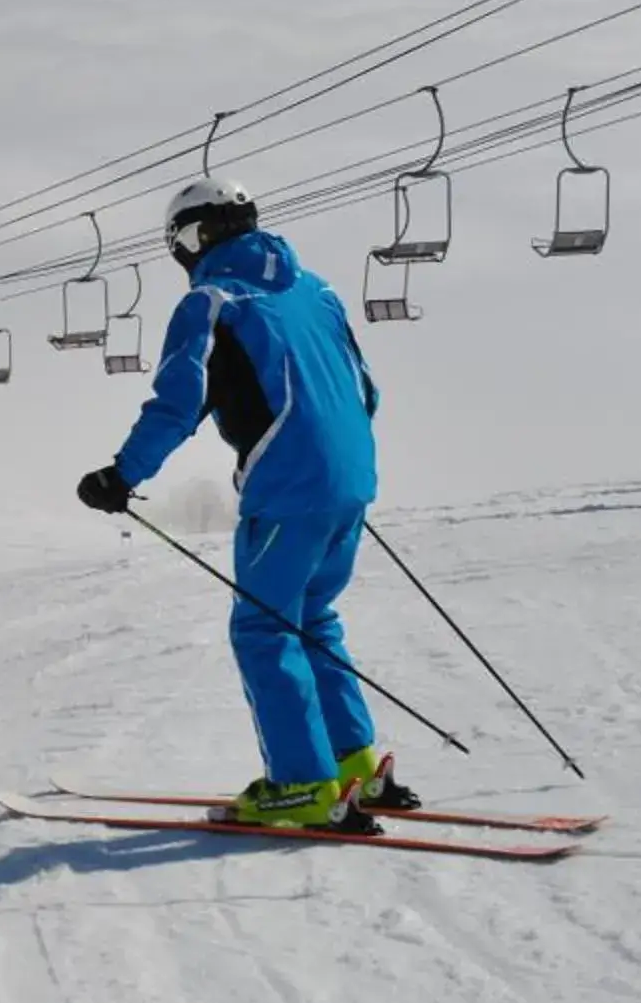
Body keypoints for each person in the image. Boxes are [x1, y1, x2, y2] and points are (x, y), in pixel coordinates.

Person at [72, 177, 417, 829]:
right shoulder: (317, 290)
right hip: (351, 479)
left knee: (263, 628)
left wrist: (121, 476)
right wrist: (334, 464)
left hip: (289, 487)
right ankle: (354, 767)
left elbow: (178, 404)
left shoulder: (214, 301)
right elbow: (365, 389)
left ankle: (302, 787)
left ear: (191, 239)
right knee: (312, 616)